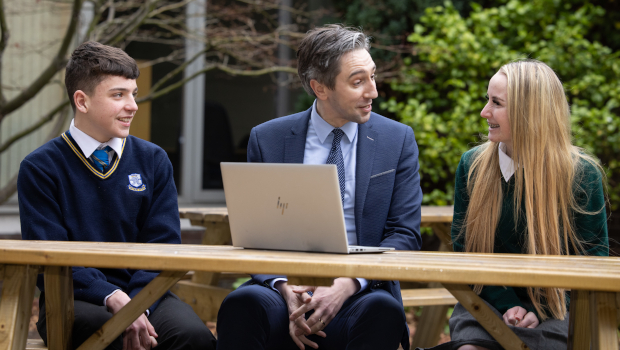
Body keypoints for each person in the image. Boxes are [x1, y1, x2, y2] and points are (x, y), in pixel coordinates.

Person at [216, 24, 423, 350]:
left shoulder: (397, 141)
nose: (373, 91)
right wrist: (285, 287)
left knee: (384, 311)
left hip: (362, 294)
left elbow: (405, 235)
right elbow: (254, 235)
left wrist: (347, 284)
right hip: (282, 292)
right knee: (242, 304)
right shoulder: (268, 139)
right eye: (358, 82)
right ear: (320, 88)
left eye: (373, 76)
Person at [18, 41, 216, 350]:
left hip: (147, 293)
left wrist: (137, 303)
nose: (133, 106)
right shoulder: (41, 167)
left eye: (133, 94)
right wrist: (111, 296)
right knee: (107, 332)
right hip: (73, 297)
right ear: (82, 101)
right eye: (118, 95)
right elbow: (48, 259)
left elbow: (163, 246)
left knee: (193, 337)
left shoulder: (154, 159)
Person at [423, 60, 608, 350]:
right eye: (488, 100)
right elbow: (465, 249)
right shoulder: (471, 165)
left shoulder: (581, 173)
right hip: (487, 300)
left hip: (560, 307)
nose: (485, 112)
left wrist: (541, 310)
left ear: (530, 113)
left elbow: (594, 259)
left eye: (497, 103)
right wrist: (508, 304)